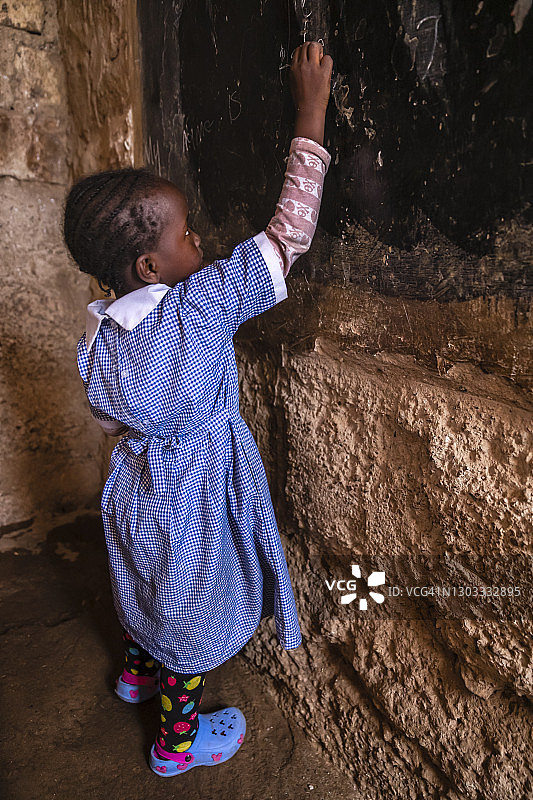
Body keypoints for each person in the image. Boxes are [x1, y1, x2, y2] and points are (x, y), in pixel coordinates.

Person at [63, 41, 333, 777]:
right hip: (194, 494)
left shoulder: (99, 332)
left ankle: (132, 674)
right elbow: (288, 236)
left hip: (137, 489)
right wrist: (310, 111)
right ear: (152, 266)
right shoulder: (201, 305)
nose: (201, 242)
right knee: (187, 610)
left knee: (146, 584)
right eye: (186, 235)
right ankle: (175, 744)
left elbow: (113, 420)